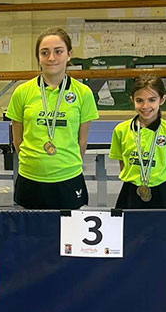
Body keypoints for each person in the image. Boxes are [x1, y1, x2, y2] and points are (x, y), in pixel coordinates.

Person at [6, 27, 99, 209]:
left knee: (68, 236)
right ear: (38, 57)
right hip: (30, 177)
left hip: (68, 177)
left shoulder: (83, 93)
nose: (51, 58)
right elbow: (18, 138)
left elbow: (82, 140)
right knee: (32, 235)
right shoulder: (22, 92)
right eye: (44, 52)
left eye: (58, 51)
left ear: (69, 54)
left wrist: (66, 165)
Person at [109, 74, 166, 209]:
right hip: (130, 191)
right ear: (132, 100)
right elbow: (123, 163)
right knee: (128, 229)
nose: (145, 106)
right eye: (139, 100)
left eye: (152, 100)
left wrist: (158, 184)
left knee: (164, 229)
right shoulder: (121, 130)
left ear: (162, 100)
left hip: (162, 192)